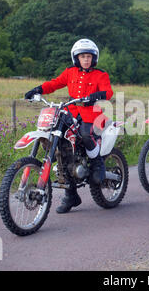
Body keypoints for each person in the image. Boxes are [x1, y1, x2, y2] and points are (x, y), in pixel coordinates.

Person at [24, 38, 113, 213]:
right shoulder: (70, 72)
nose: (86, 60)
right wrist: (38, 89)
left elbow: (108, 92)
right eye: (82, 56)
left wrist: (95, 96)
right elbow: (55, 83)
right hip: (70, 113)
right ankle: (71, 195)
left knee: (86, 134)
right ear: (76, 58)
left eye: (89, 56)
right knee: (62, 147)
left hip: (91, 114)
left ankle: (97, 163)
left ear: (94, 58)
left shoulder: (100, 74)